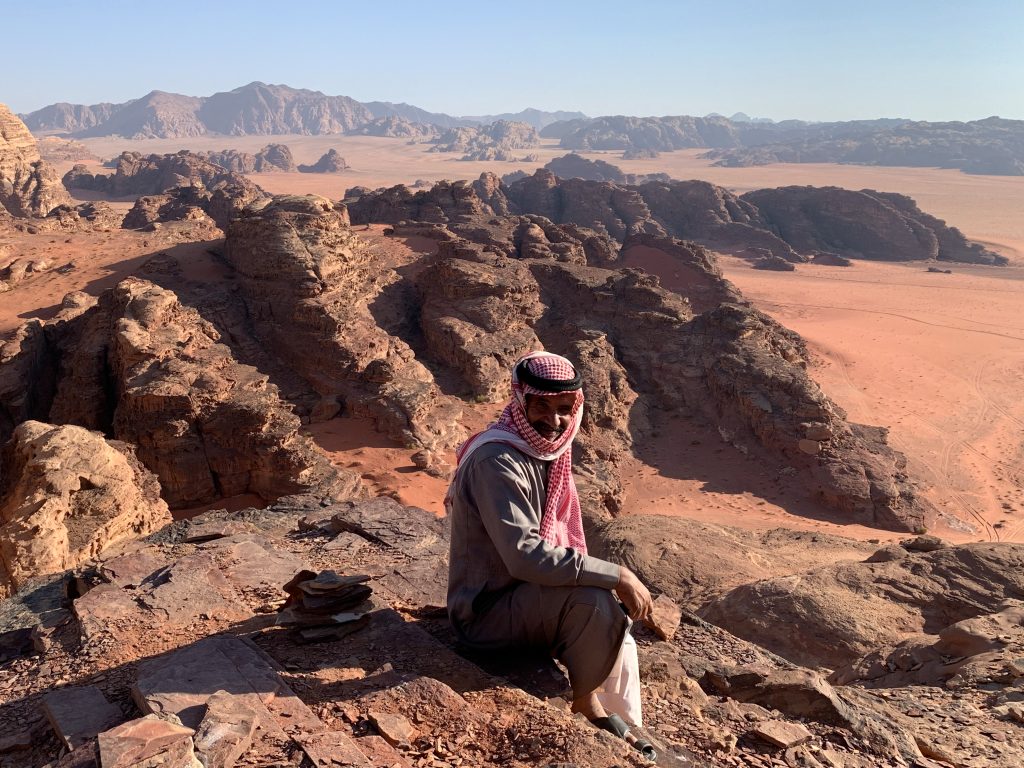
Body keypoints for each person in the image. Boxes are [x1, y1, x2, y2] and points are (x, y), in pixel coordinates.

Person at [446, 351, 656, 760]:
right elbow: (525, 555)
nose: (555, 420)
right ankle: (593, 709)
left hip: (522, 596)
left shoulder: (544, 451)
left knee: (613, 618)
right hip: (486, 614)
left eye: (564, 408)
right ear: (519, 400)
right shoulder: (498, 460)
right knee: (596, 599)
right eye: (541, 405)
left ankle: (621, 723)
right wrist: (619, 575)